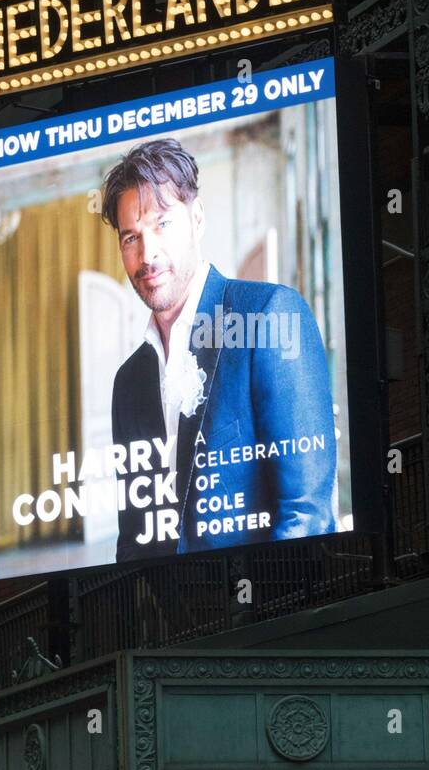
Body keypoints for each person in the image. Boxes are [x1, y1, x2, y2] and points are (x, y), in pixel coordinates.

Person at [101, 137, 338, 560]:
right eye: (130, 238)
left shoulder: (270, 315)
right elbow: (133, 540)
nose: (147, 253)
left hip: (268, 612)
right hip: (176, 624)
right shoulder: (128, 381)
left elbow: (306, 516)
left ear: (197, 218)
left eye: (162, 224)